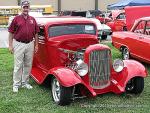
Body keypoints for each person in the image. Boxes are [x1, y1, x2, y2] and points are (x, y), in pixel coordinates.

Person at [8, 1, 39, 92]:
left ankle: (25, 82)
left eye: (27, 7)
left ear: (29, 8)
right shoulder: (16, 19)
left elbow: (36, 33)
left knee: (28, 64)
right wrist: (10, 45)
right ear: (21, 8)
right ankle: (16, 84)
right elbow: (10, 33)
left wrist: (36, 44)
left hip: (30, 43)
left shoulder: (33, 19)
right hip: (19, 44)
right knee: (18, 65)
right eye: (24, 7)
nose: (26, 9)